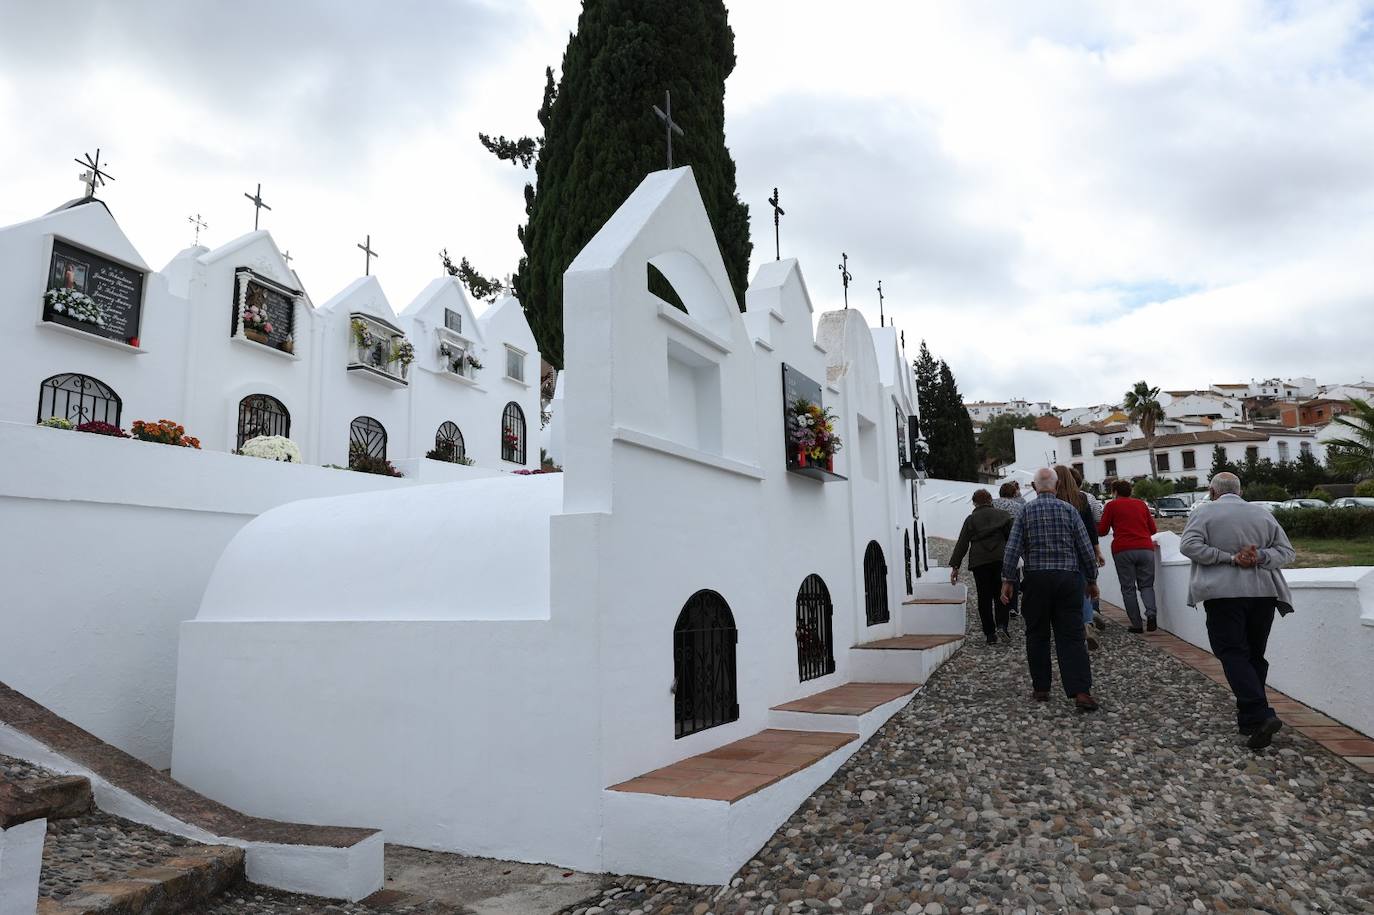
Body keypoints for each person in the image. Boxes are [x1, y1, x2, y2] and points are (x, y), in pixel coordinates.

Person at [1180, 472, 1296, 750]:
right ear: (1240, 491)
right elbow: (1287, 552)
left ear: (1212, 490)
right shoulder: (1262, 514)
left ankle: (1260, 713)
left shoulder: (1205, 513)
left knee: (1232, 652)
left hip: (1223, 594)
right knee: (1254, 654)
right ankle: (1250, 721)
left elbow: (1189, 546)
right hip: (1263, 593)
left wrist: (1229, 558)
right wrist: (1260, 556)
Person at [1001, 467, 1100, 711]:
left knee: (1037, 634)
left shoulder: (1025, 511)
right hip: (1067, 578)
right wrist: (1091, 579)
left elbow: (1013, 549)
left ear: (1035, 487)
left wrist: (1007, 580)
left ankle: (1042, 687)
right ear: (1055, 487)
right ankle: (1080, 692)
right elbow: (1085, 548)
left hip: (1036, 579)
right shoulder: (1069, 511)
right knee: (1072, 635)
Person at [948, 489, 1013, 643]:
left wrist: (955, 566)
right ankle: (1002, 626)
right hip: (1000, 558)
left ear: (974, 503)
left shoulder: (971, 520)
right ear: (990, 500)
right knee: (1001, 593)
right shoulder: (1003, 515)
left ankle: (990, 634)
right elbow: (1012, 538)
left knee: (984, 597)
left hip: (980, 562)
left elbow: (962, 543)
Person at [1055, 465, 1106, 650]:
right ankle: (1086, 623)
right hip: (1083, 549)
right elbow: (1091, 528)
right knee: (1084, 587)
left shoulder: (1053, 499)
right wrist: (1097, 551)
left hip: (1061, 551)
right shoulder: (1082, 498)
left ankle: (1066, 624)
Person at [1098, 479, 1159, 633]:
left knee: (1128, 588)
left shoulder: (1111, 505)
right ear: (1130, 491)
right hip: (1145, 549)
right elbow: (1152, 530)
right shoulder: (1141, 504)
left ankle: (1137, 625)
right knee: (1146, 585)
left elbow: (1103, 530)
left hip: (1123, 550)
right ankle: (1151, 614)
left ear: (1115, 492)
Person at [992, 481, 1026, 618]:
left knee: (997, 576)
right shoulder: (1019, 507)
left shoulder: (992, 505)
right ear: (1013, 494)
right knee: (1014, 576)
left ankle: (1000, 605)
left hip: (995, 546)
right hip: (1013, 545)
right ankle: (1013, 607)